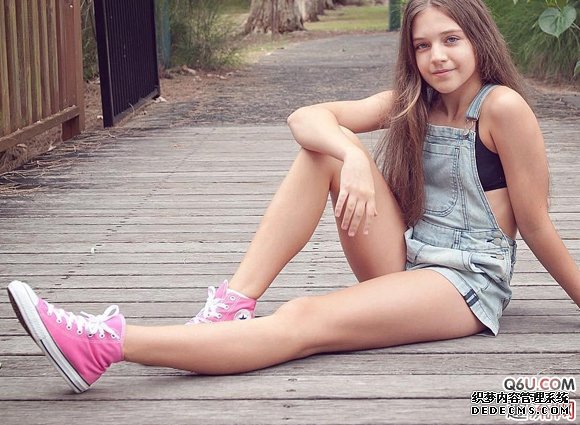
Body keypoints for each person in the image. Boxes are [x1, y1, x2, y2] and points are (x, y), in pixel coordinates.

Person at [7, 0, 580, 394]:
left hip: (465, 284)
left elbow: (535, 226)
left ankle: (108, 344)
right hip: (409, 259)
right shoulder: (415, 102)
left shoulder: (502, 109)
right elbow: (306, 117)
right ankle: (232, 304)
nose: (438, 57)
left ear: (478, 38)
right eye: (423, 45)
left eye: (451, 40)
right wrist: (352, 156)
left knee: (305, 317)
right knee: (322, 152)